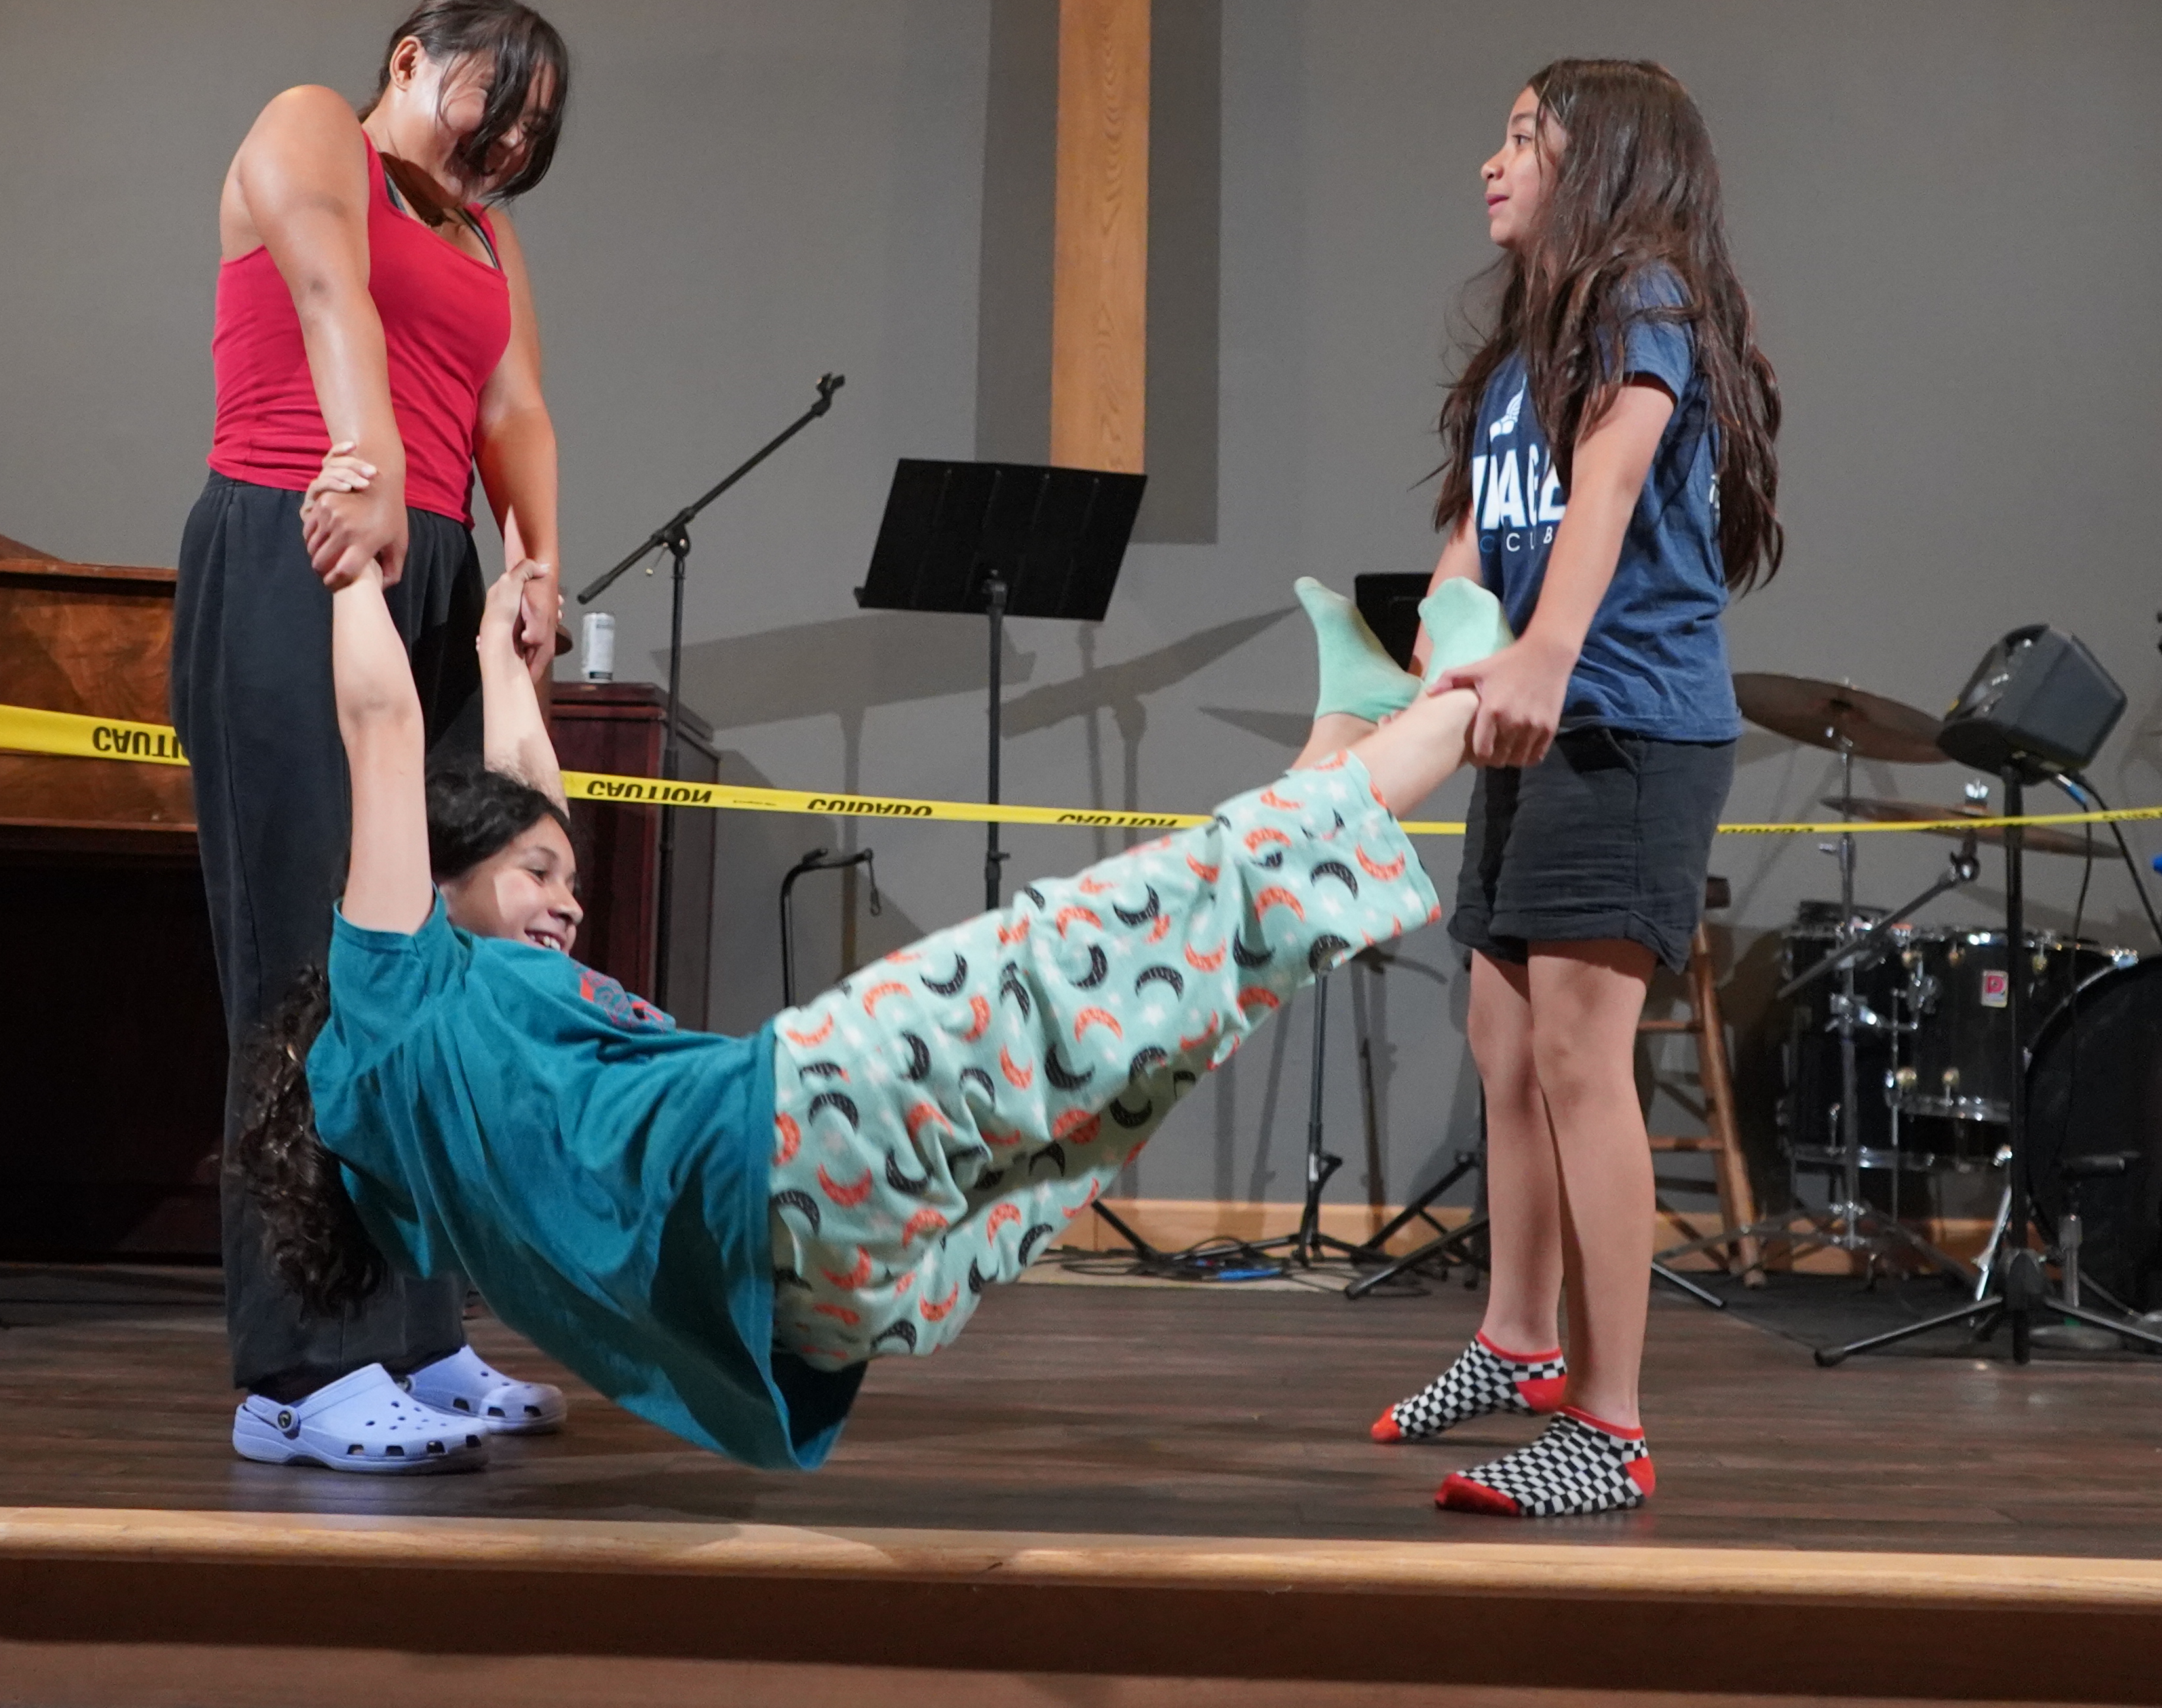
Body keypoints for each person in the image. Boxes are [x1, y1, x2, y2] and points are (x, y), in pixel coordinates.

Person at [223, 528, 1516, 1471]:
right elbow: (385, 727)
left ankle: (1343, 738)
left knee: (1129, 1032)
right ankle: (1460, 707)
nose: (566, 891)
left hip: (809, 1294)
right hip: (780, 1139)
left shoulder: (441, 1099)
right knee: (1070, 948)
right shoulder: (392, 1007)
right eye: (535, 875)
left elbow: (522, 800)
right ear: (437, 896)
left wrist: (513, 657)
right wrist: (350, 572)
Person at [1370, 58, 1783, 1519]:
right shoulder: (1513, 357)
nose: (1492, 160)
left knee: (1578, 1062)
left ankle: (1608, 1426)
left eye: (1525, 137)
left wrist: (1548, 649)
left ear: (1604, 165)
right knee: (1500, 1035)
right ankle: (1518, 1339)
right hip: (1538, 727)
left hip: (1627, 727)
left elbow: (1606, 485)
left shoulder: (1646, 299)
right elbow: (1488, 530)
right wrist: (1447, 620)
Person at [176, 0, 571, 1472]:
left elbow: (515, 397)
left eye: (536, 134)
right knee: (307, 969)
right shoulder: (308, 129)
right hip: (302, 530)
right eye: (496, 107)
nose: (510, 149)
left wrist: (537, 558)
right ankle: (297, 1370)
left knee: (435, 967)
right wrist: (366, 455)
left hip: (436, 564)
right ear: (413, 59)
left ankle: (415, 1333)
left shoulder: (483, 230)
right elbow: (332, 289)